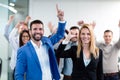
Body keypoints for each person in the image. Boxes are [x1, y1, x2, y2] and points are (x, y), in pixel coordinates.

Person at [15, 5, 66, 80]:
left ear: (43, 31)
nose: (38, 31)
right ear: (30, 31)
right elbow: (19, 75)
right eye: (35, 29)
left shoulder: (47, 42)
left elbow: (60, 34)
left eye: (40, 29)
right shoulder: (23, 50)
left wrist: (61, 19)